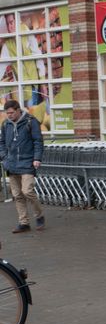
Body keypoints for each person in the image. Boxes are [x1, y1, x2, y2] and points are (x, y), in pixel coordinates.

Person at [0, 99, 44, 233]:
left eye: (12, 113)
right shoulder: (5, 124)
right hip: (11, 163)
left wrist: (37, 158)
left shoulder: (31, 121)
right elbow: (1, 142)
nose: (9, 115)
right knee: (17, 195)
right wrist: (4, 157)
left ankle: (39, 215)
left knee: (27, 191)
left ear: (18, 110)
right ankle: (23, 222)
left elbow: (38, 141)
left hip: (27, 162)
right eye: (7, 113)